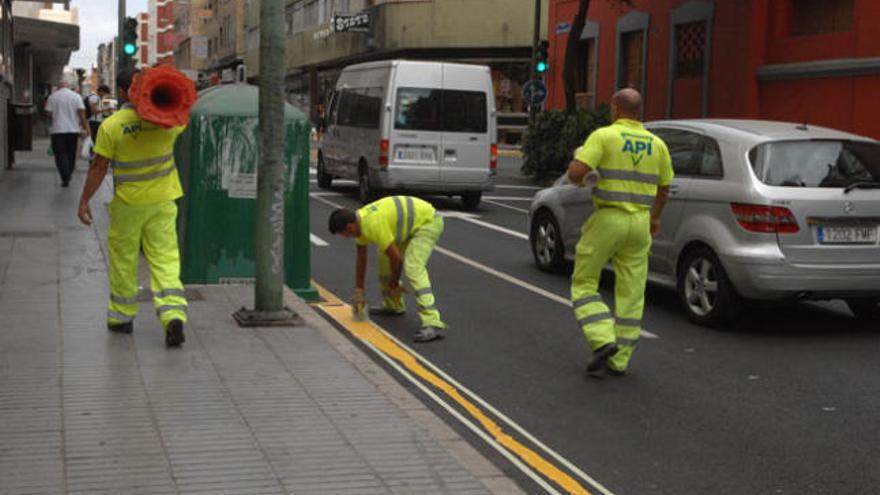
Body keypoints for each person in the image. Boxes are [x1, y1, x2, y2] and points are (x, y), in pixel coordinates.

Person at [76, 69, 189, 347]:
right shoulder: (169, 121)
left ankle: (122, 317)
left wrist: (84, 201)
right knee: (165, 259)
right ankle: (173, 314)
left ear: (125, 91)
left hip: (128, 205)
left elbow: (99, 166)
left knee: (124, 261)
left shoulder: (113, 126)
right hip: (164, 201)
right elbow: (182, 113)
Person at [566, 88, 673, 377]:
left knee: (585, 282)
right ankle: (621, 358)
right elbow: (664, 189)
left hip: (609, 218)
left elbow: (576, 174)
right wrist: (655, 218)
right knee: (632, 292)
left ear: (615, 109)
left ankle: (602, 339)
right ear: (639, 111)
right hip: (640, 222)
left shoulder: (604, 136)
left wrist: (582, 167)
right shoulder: (657, 144)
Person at [328, 196, 447, 343]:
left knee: (413, 267)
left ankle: (433, 322)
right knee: (384, 259)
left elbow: (397, 260)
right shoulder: (360, 223)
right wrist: (359, 291)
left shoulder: (373, 224)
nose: (347, 238)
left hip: (428, 222)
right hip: (409, 227)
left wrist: (394, 282)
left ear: (349, 227)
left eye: (344, 234)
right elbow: (361, 258)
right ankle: (393, 305)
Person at [45, 80, 90, 187]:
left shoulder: (52, 97)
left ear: (58, 87)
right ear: (68, 87)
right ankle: (68, 172)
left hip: (57, 130)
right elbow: (82, 114)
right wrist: (86, 128)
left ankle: (65, 176)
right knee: (71, 153)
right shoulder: (76, 96)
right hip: (73, 130)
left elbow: (49, 113)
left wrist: (56, 117)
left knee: (60, 154)